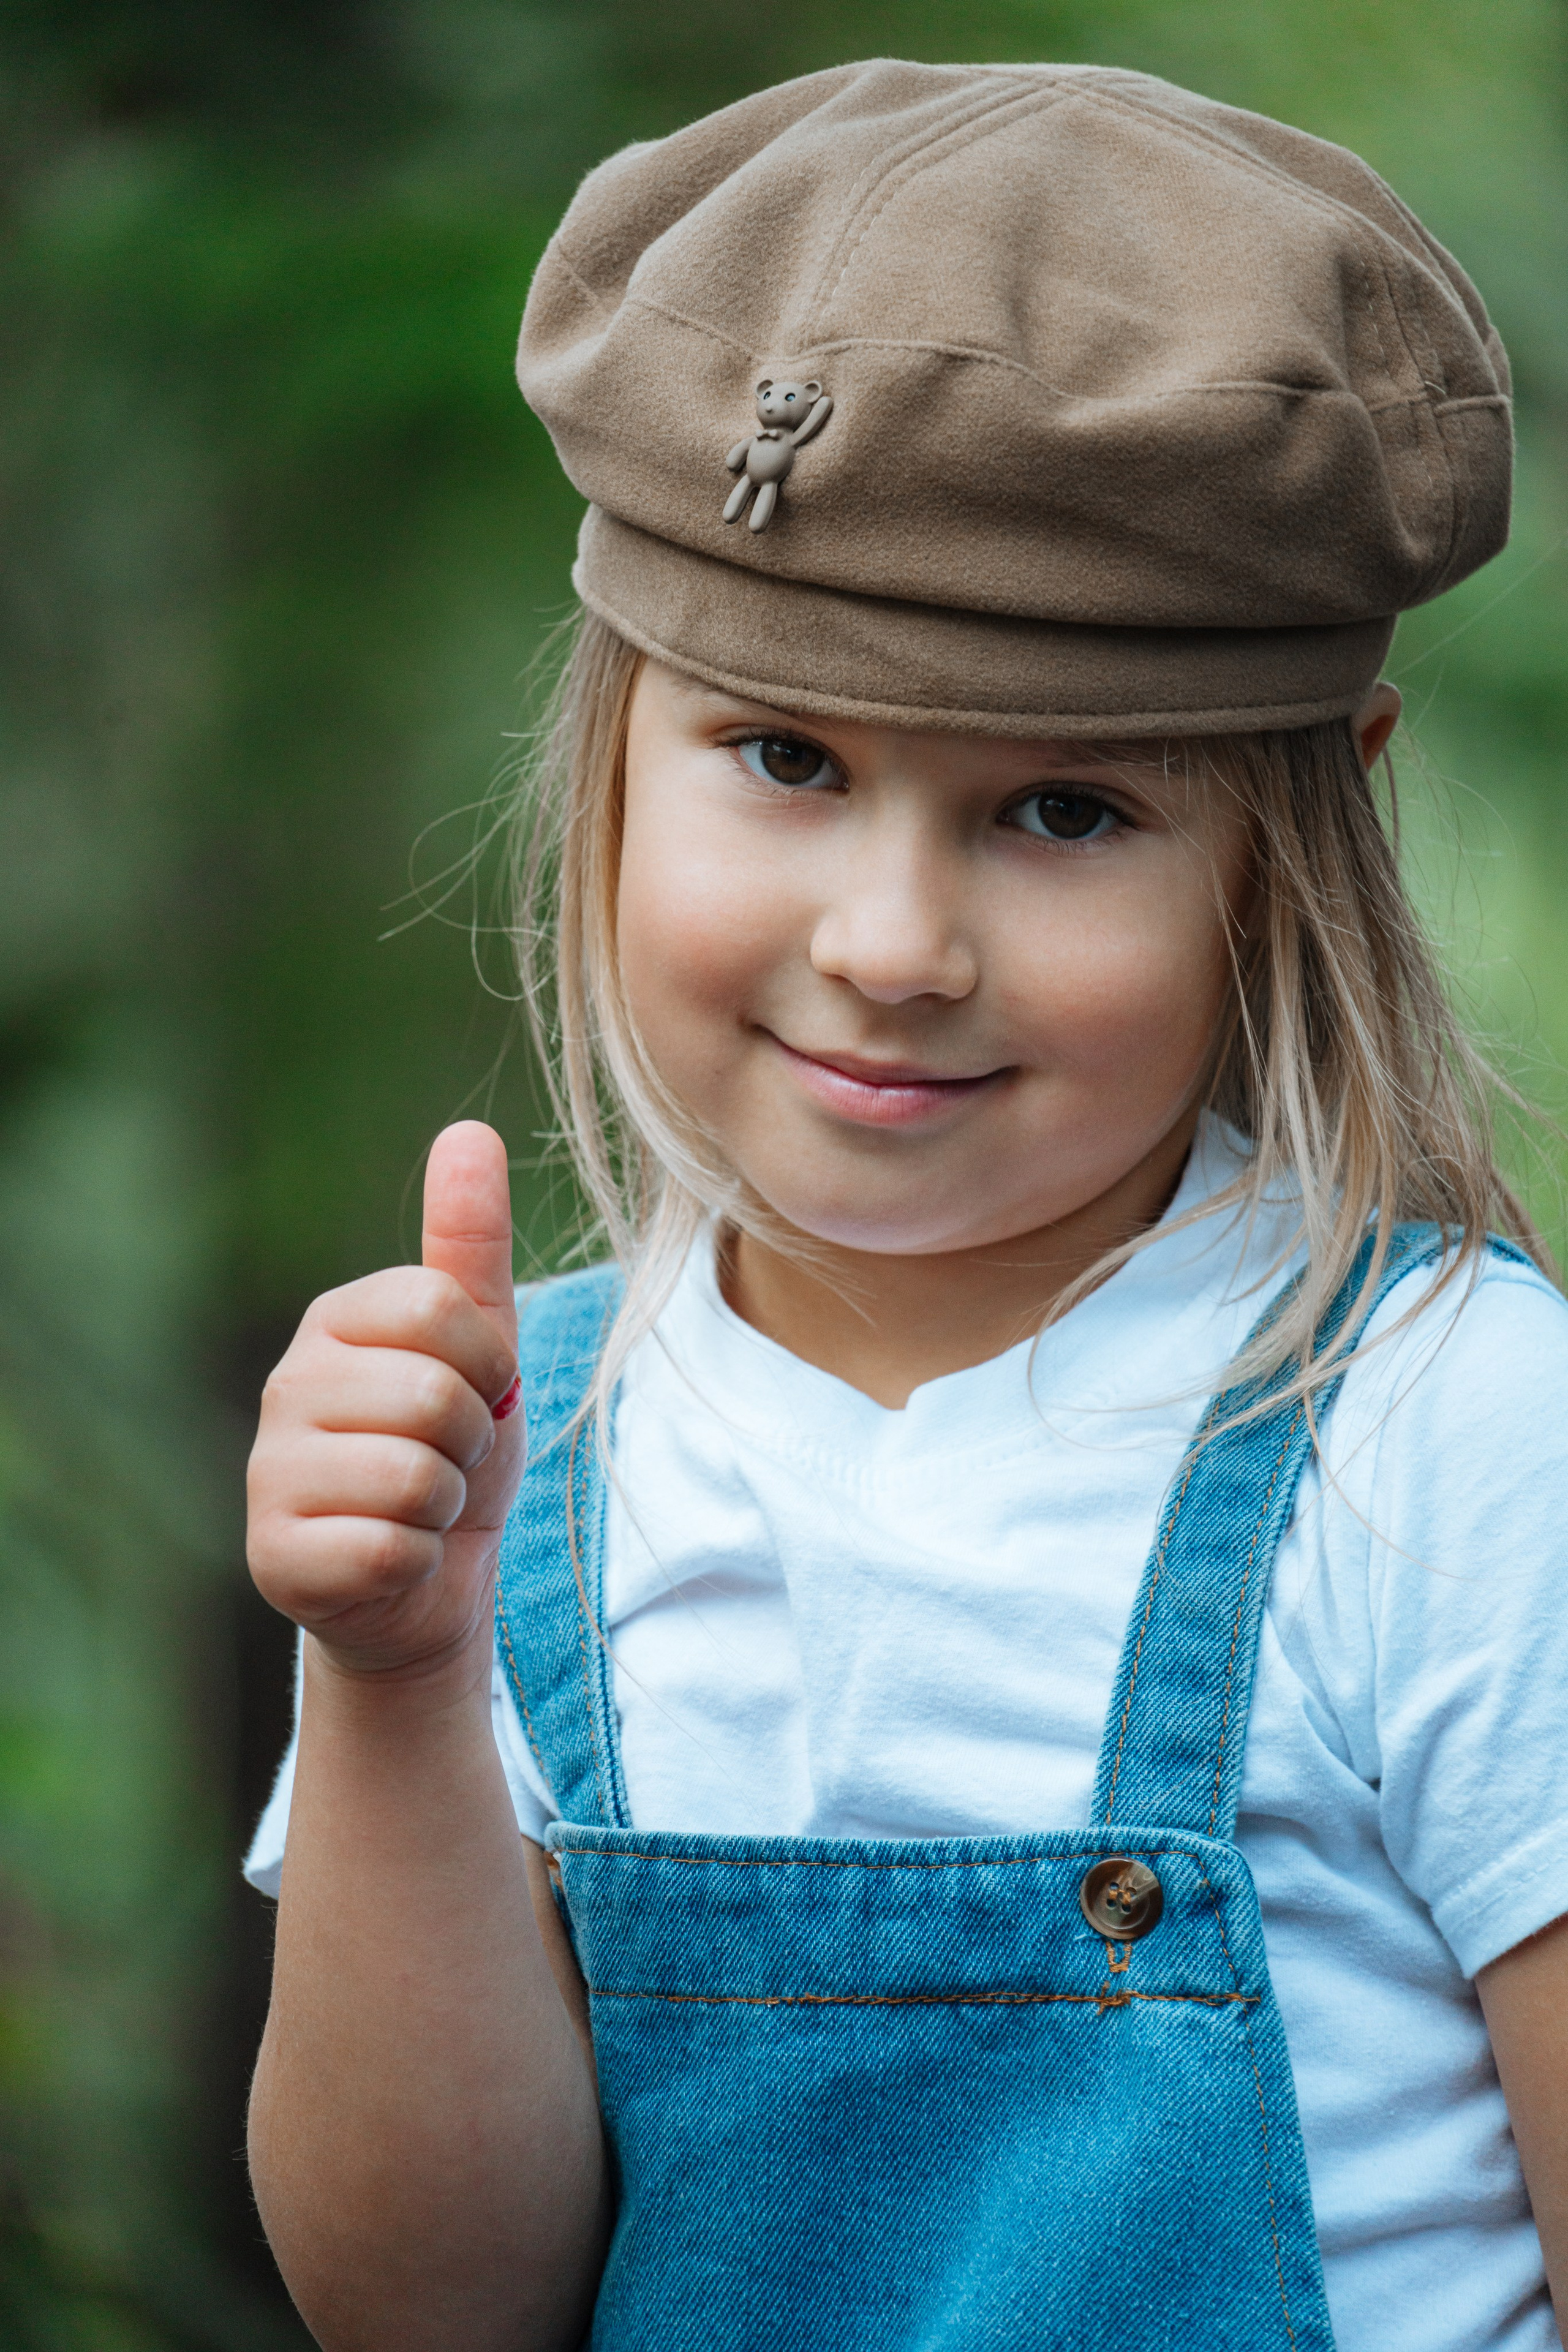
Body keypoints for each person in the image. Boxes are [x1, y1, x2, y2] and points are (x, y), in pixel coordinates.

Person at [241, 59, 1568, 2352]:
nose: (892, 941)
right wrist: (395, 1681)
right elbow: (428, 2309)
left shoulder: (1451, 1441)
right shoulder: (536, 1466)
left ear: (1290, 836)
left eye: (1061, 812)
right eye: (787, 759)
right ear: (615, 741)